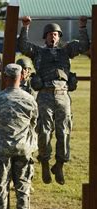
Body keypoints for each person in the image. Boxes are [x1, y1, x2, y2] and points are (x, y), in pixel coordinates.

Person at [18, 16, 89, 185]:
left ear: (60, 36)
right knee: (44, 131)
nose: (53, 36)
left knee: (64, 131)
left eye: (56, 34)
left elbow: (84, 45)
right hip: (44, 95)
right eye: (50, 34)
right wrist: (25, 27)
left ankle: (59, 164)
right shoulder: (39, 52)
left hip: (63, 94)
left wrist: (82, 26)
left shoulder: (66, 51)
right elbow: (22, 46)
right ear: (45, 37)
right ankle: (44, 162)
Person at [0, 63, 38, 209]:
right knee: (23, 188)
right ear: (21, 77)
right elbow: (34, 123)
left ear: (6, 78)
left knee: (1, 187)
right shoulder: (29, 99)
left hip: (2, 149)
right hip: (23, 148)